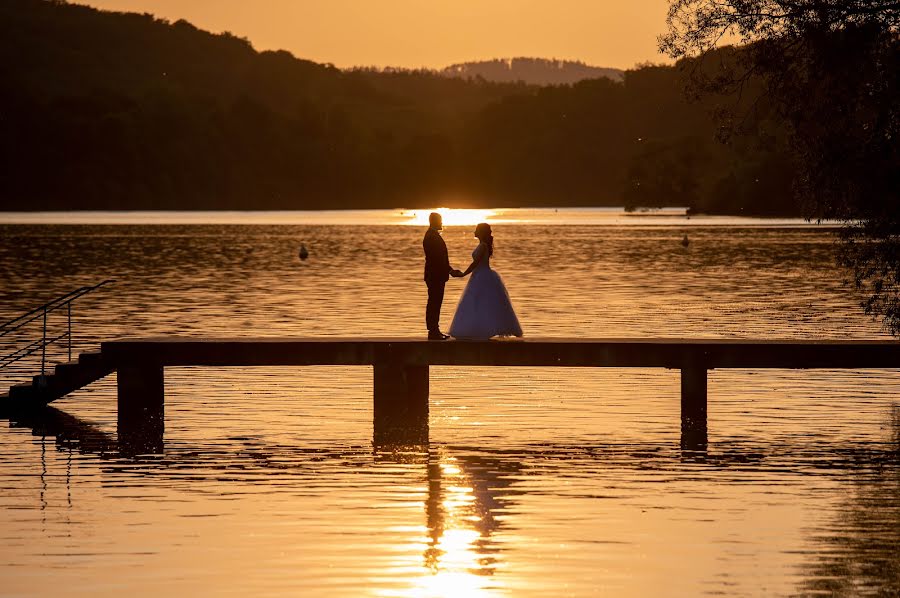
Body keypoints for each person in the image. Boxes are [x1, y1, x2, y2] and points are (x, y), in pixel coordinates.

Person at [449, 223, 523, 339]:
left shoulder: (483, 246)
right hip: (479, 275)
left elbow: (475, 263)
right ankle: (477, 329)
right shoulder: (482, 245)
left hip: (482, 276)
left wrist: (463, 274)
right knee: (479, 304)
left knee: (483, 303)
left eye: (476, 230)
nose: (474, 231)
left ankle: (482, 329)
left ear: (481, 232)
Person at [423, 212, 463, 340]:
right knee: (434, 302)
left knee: (435, 302)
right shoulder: (431, 237)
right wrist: (450, 271)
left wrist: (449, 270)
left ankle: (434, 330)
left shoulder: (432, 235)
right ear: (434, 221)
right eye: (440, 220)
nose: (442, 223)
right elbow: (437, 260)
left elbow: (440, 260)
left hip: (436, 275)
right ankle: (433, 331)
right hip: (435, 276)